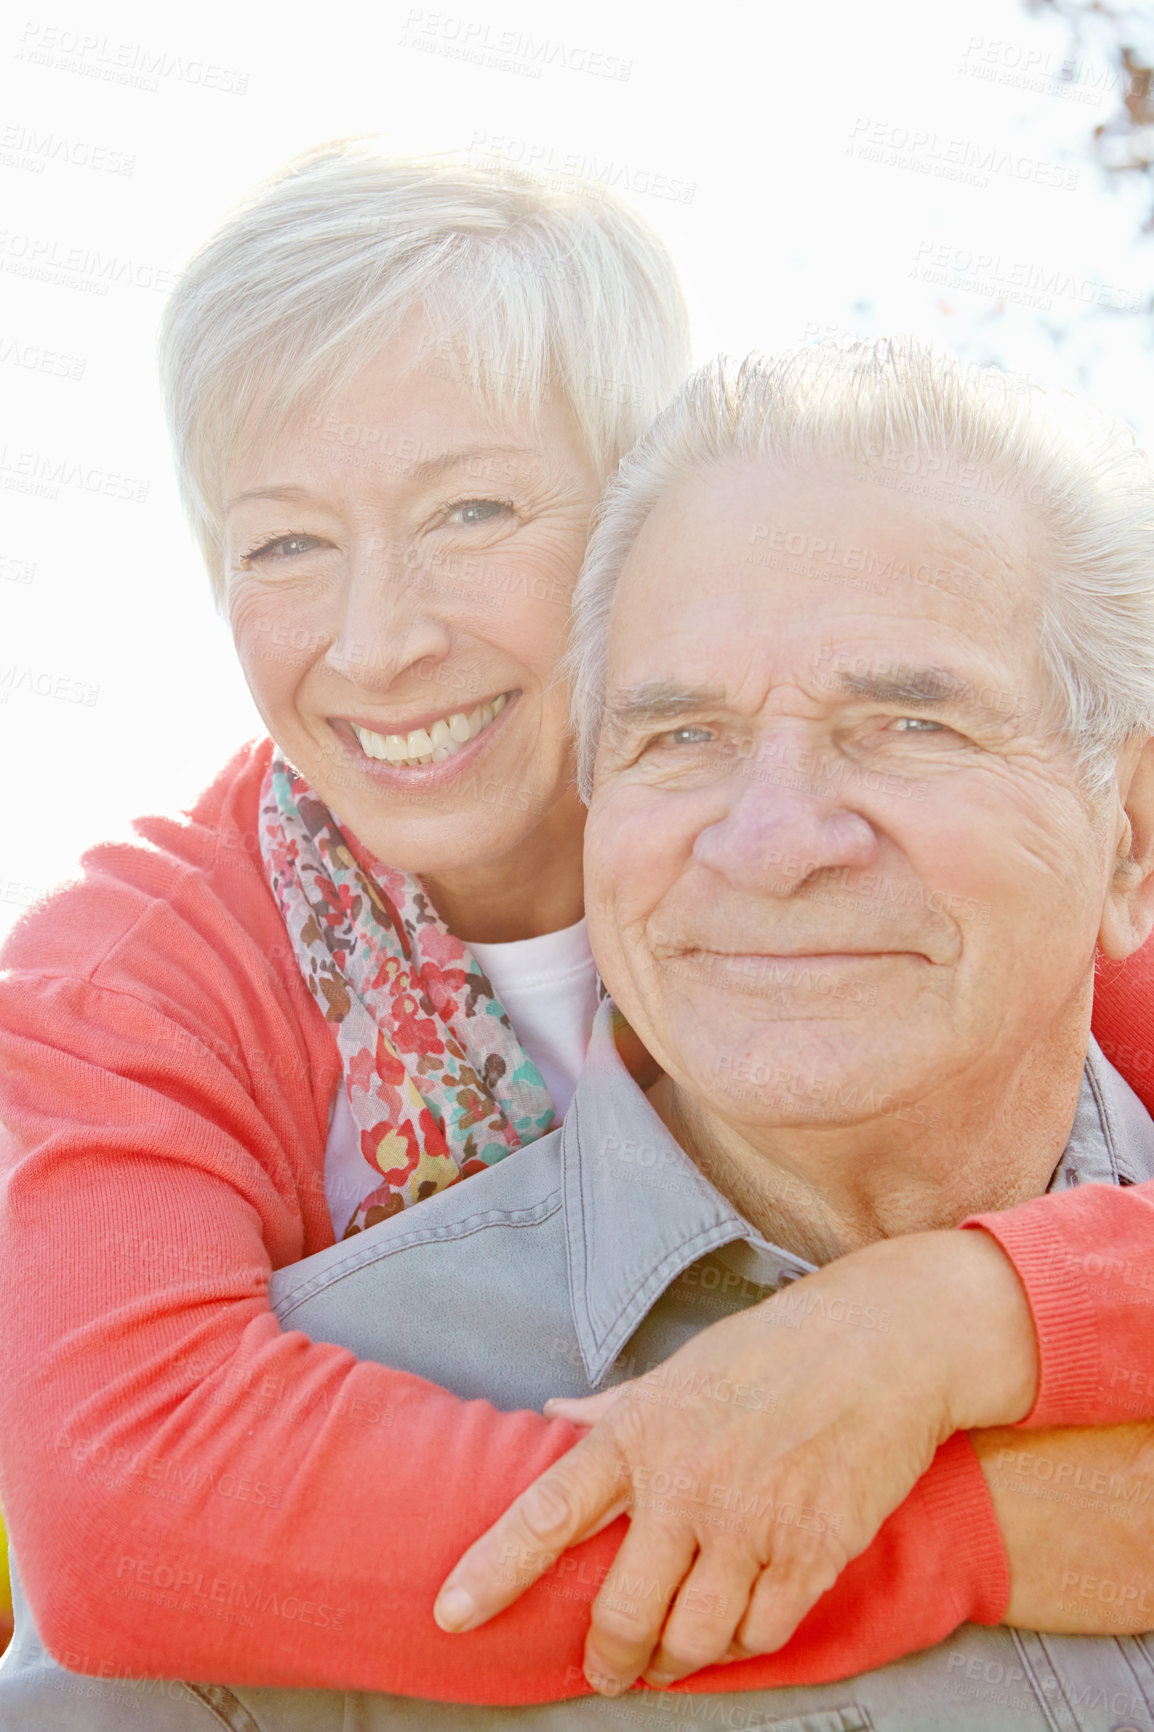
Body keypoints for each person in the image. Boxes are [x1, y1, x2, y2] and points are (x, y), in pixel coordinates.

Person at [0, 139, 1151, 1720]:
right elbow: (127, 1507)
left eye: (470, 510)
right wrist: (958, 1534)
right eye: (281, 542)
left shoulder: (980, 867)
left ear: (642, 525)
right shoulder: (139, 977)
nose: (383, 636)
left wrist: (959, 1316)